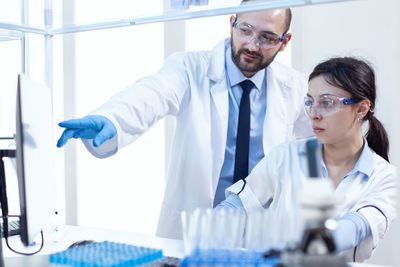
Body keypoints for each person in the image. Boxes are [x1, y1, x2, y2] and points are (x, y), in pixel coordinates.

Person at [56, 7, 313, 239]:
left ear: (284, 41)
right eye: (245, 30)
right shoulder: (191, 68)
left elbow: (326, 138)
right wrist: (112, 118)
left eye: (267, 38)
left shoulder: (294, 88)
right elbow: (153, 93)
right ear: (232, 23)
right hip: (199, 226)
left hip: (262, 229)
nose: (252, 45)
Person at [218, 57, 397, 261]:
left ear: (361, 109)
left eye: (327, 103)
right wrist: (210, 224)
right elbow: (238, 205)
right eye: (309, 102)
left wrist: (311, 243)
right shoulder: (285, 155)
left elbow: (356, 227)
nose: (313, 114)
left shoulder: (385, 177)